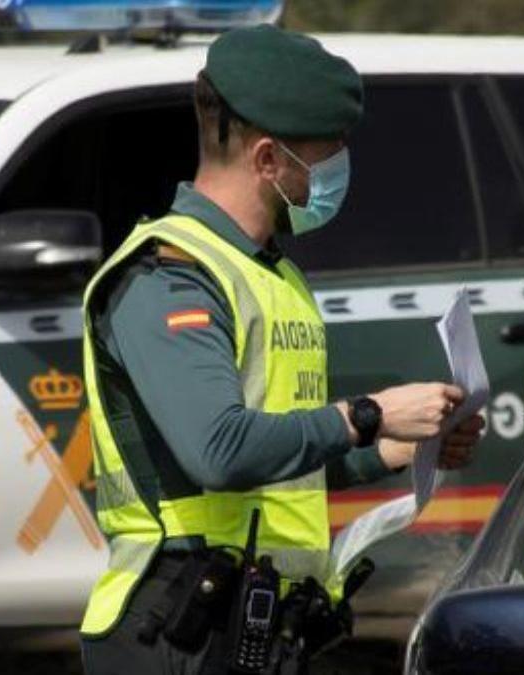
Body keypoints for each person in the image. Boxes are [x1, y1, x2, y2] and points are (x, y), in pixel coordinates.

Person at [78, 25, 484, 674]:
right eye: (327, 151)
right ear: (268, 158)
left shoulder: (274, 274)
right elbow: (218, 450)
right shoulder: (169, 275)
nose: (339, 167)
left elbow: (283, 464)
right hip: (176, 631)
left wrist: (393, 450)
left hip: (257, 627)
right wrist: (368, 414)